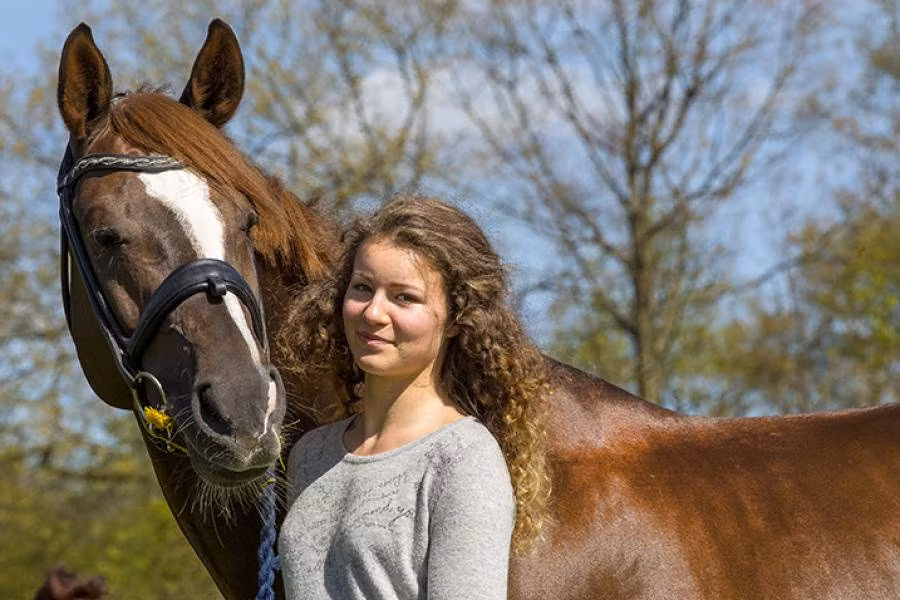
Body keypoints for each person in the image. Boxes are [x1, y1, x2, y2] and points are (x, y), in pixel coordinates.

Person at [276, 194, 551, 599]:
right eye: (363, 288)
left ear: (458, 318)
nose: (373, 312)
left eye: (404, 297)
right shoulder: (311, 455)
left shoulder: (462, 459)